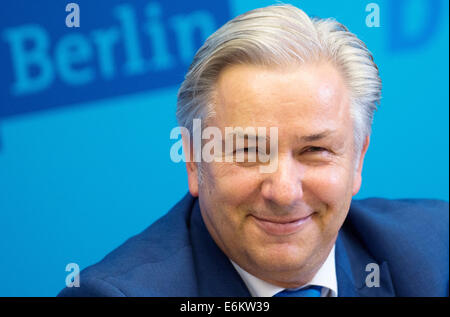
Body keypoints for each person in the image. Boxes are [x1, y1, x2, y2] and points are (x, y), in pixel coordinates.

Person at [58, 4, 448, 297]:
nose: (284, 193)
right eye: (248, 151)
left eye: (315, 150)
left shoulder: (436, 252)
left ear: (357, 158)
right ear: (194, 161)